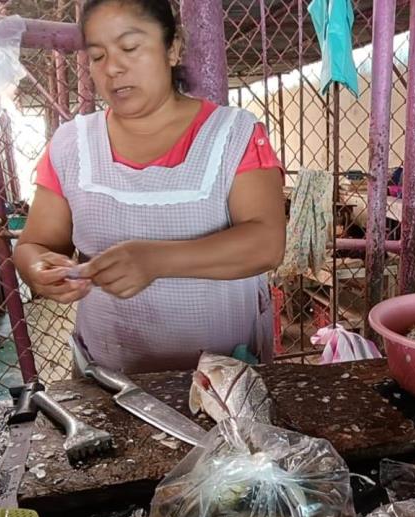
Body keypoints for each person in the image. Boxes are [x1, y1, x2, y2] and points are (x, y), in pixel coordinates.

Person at [15, 0, 285, 372]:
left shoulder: (233, 134)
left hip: (221, 371)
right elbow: (35, 244)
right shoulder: (71, 144)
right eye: (97, 56)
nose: (113, 68)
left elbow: (266, 244)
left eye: (130, 48)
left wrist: (155, 260)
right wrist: (38, 269)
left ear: (172, 48)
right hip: (110, 369)